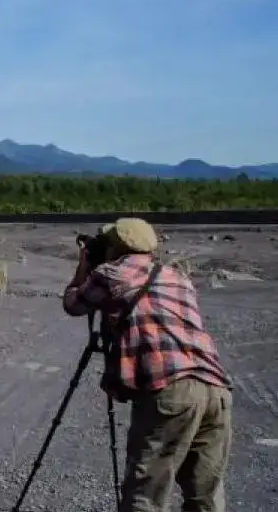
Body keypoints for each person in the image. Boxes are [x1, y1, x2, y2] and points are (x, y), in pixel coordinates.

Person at [62, 217, 233, 512]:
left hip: (170, 388)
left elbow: (73, 304)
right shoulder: (177, 276)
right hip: (216, 389)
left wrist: (82, 269)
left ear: (116, 246)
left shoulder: (111, 273)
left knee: (146, 496)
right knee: (205, 495)